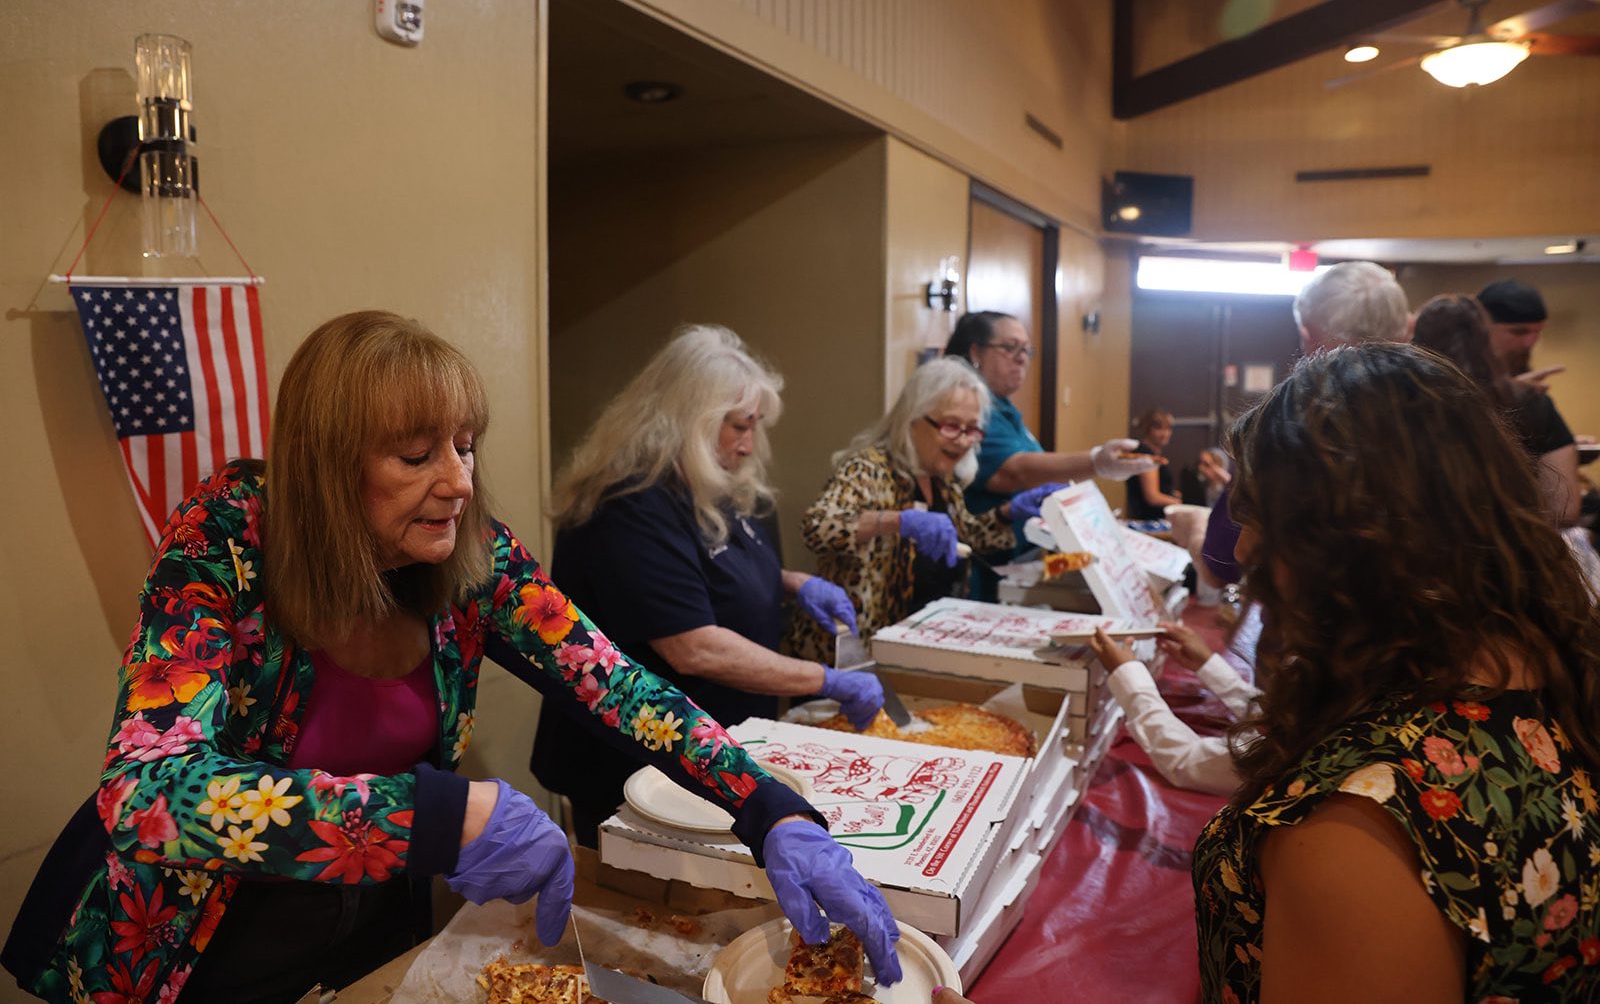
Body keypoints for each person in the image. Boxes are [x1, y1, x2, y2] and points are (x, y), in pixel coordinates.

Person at [4, 312, 902, 1003]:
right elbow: (149, 792)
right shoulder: (224, 544)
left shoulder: (469, 548)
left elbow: (618, 685)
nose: (460, 481)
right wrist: (438, 815)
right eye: (416, 453)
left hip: (365, 921)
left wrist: (769, 809)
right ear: (325, 463)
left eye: (466, 446)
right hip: (190, 944)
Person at [1193, 343, 1600, 1001]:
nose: (1243, 549)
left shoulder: (1358, 827)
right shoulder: (1548, 664)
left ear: (1354, 542)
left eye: (1264, 519)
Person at [530, 325, 884, 847]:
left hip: (716, 748)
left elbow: (710, 571)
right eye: (738, 426)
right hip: (633, 759)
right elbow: (694, 647)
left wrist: (793, 583)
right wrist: (825, 680)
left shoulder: (719, 482)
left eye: (755, 425)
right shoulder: (630, 506)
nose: (749, 445)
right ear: (687, 421)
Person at [788, 357, 1064, 663]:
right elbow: (817, 527)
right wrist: (895, 521)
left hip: (914, 643)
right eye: (950, 426)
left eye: (972, 429)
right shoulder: (867, 468)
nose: (962, 440)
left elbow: (964, 538)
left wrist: (1009, 512)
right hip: (853, 654)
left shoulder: (943, 478)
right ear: (912, 419)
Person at [1199, 261, 1409, 586]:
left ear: (1308, 338)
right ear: (1405, 333)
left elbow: (1224, 562)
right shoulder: (1447, 416)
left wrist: (1195, 532)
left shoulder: (1293, 425)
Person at [943, 311, 1156, 596]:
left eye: (1026, 350)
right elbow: (1013, 472)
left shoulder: (1006, 411)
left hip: (1021, 555)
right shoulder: (972, 411)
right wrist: (1096, 461)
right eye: (1009, 348)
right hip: (984, 564)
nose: (1021, 358)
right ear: (975, 351)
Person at [1412, 293, 1580, 526]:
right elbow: (1565, 507)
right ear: (1487, 338)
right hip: (1511, 552)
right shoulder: (1530, 404)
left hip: (1417, 551)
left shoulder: (1398, 407)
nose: (1530, 343)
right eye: (1519, 332)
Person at [1087, 622, 1258, 796]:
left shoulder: (1278, 756)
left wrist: (1128, 676)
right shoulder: (1284, 718)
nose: (1261, 619)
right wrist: (1208, 665)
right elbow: (1270, 712)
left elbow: (1187, 760)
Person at [1478, 278, 1564, 392]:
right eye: (1519, 332)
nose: (1531, 342)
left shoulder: (1530, 390)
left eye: (1538, 331)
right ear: (1481, 329)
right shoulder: (1452, 381)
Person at [1124, 407, 1182, 520]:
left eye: (1168, 429)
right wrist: (1178, 503)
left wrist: (1171, 493)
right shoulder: (1147, 456)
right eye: (1159, 428)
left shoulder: (1149, 454)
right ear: (1148, 429)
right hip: (1149, 520)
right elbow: (1152, 497)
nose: (1165, 434)